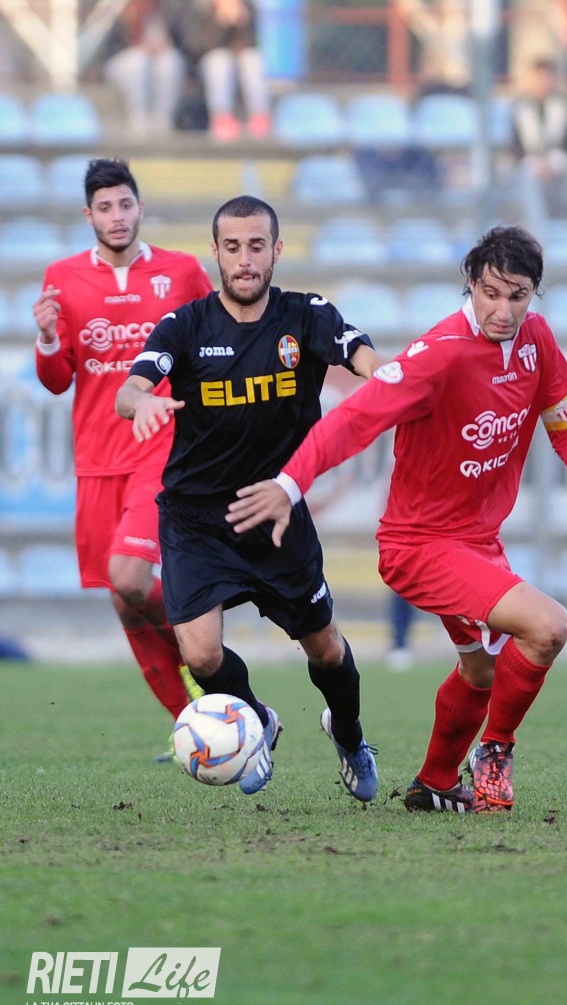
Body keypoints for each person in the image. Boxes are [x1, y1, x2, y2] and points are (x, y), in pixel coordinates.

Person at [225, 225, 567, 815]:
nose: (503, 310)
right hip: (420, 546)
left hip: (478, 541)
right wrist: (289, 483)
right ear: (470, 284)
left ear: (534, 293)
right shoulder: (439, 353)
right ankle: (495, 751)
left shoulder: (537, 340)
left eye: (517, 295)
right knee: (548, 627)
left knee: (481, 672)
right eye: (490, 293)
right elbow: (355, 419)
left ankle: (433, 783)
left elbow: (564, 420)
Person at [114, 195, 383, 801]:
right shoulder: (185, 325)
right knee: (201, 655)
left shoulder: (306, 315)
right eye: (232, 247)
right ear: (215, 252)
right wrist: (144, 401)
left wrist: (385, 377)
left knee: (326, 649)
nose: (244, 259)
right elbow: (129, 391)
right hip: (195, 519)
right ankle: (257, 722)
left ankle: (349, 736)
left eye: (256, 246)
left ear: (276, 250)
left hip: (276, 513)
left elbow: (362, 355)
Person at [33, 158, 213, 757]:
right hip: (97, 459)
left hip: (162, 446)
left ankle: (211, 654)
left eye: (125, 204)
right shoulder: (61, 278)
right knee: (122, 595)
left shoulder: (181, 272)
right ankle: (193, 722)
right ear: (88, 215)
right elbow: (57, 380)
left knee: (129, 577)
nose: (117, 216)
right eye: (105, 207)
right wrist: (48, 338)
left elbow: (215, 344)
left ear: (140, 208)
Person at [174, 0, 271, 142]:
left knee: (252, 59)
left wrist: (241, 22)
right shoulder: (198, 10)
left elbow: (252, 44)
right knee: (220, 60)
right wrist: (219, 23)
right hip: (205, 68)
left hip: (239, 66)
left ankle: (259, 116)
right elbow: (195, 47)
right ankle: (221, 117)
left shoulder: (247, 7)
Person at [103, 0, 186, 136]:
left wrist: (163, 46)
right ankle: (139, 116)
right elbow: (110, 48)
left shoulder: (169, 12)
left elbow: (182, 45)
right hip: (126, 62)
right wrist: (142, 47)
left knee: (170, 60)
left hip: (158, 61)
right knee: (139, 60)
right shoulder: (122, 11)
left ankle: (162, 118)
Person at [511, 57, 567, 181]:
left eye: (546, 78)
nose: (543, 83)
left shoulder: (562, 106)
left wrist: (551, 163)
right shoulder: (521, 108)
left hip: (556, 160)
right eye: (539, 78)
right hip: (530, 161)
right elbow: (516, 147)